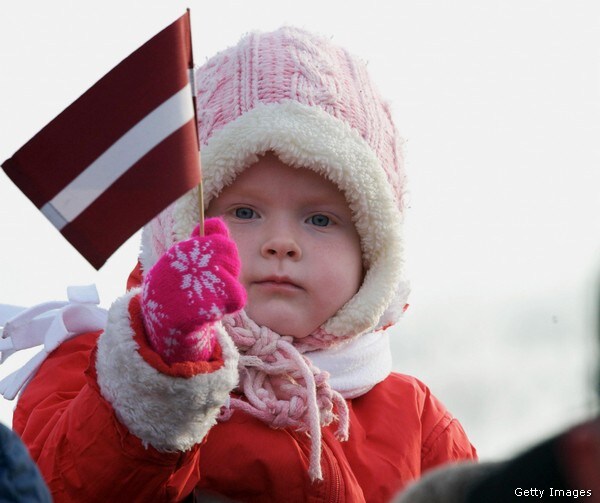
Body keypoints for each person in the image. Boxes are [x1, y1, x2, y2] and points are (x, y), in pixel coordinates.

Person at [9, 27, 476, 502]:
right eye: (245, 212)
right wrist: (161, 376)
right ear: (182, 225)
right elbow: (57, 488)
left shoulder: (418, 421)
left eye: (320, 219)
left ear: (373, 253)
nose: (281, 243)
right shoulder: (93, 366)